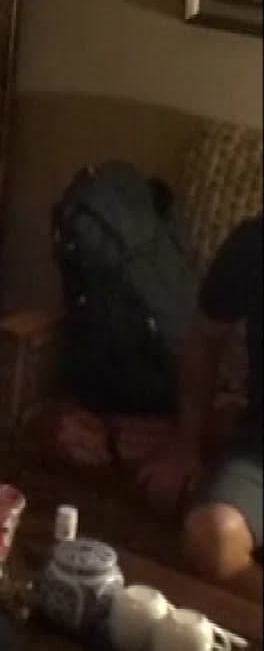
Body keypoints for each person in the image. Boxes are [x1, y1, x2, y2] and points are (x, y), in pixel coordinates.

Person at [138, 213, 263, 588]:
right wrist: (186, 446)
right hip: (258, 452)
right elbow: (205, 340)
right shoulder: (254, 241)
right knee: (211, 537)